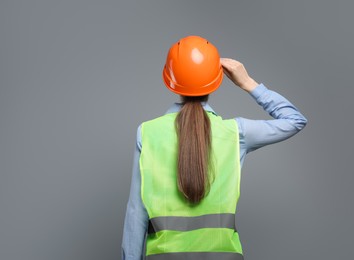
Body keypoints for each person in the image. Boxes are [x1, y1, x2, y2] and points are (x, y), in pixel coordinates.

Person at [121, 35, 308, 260]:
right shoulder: (236, 133)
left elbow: (136, 214)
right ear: (216, 81)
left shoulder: (148, 133)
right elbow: (294, 119)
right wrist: (247, 83)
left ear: (170, 81)